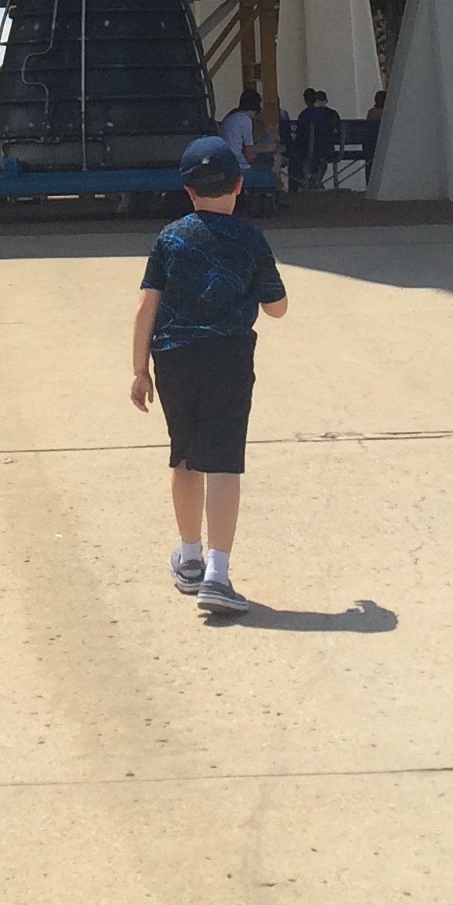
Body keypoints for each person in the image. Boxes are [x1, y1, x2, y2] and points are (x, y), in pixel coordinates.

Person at [129, 133, 288, 619]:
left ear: (187, 190)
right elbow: (277, 307)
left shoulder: (170, 238)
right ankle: (218, 575)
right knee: (223, 462)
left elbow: (146, 306)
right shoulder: (251, 238)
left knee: (184, 457)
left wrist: (139, 370)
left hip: (173, 358)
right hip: (228, 357)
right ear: (239, 185)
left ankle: (190, 558)